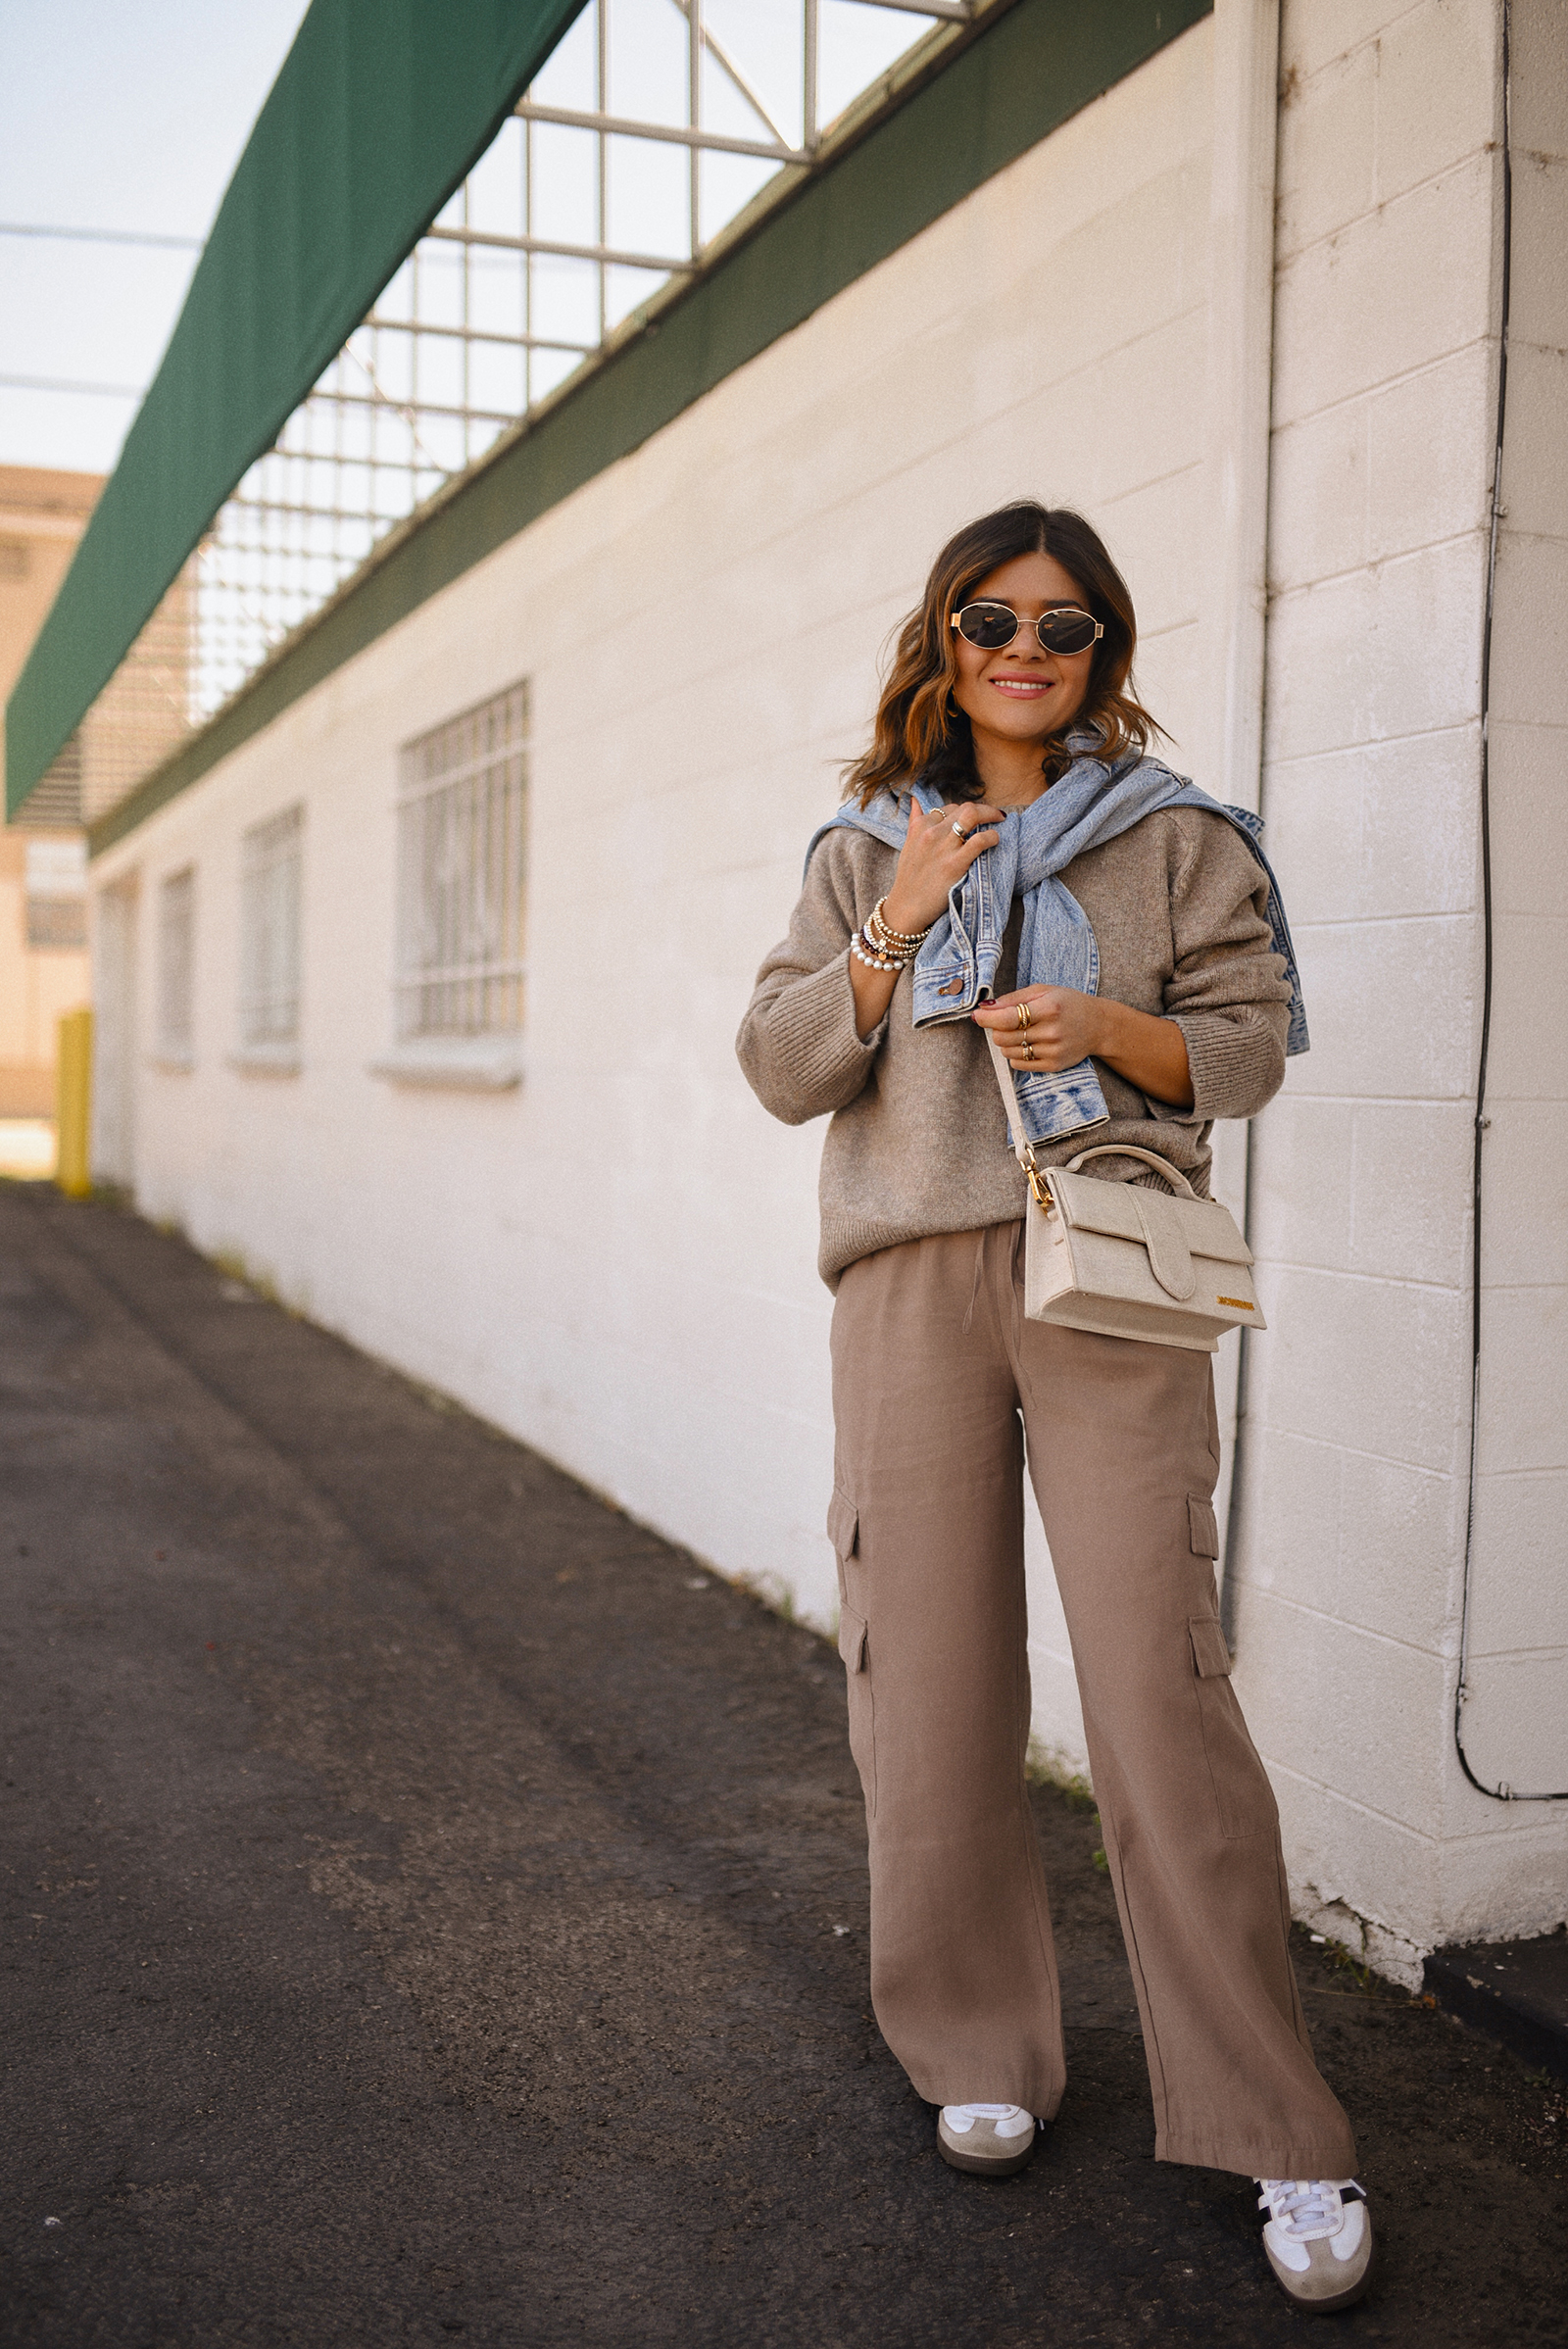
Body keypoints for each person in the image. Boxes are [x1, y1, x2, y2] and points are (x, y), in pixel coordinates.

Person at [735, 502, 1374, 2314]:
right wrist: (894, 931)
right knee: (925, 1679)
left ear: (1108, 650)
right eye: (991, 617)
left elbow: (1246, 1048)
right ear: (944, 639)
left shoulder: (1176, 839)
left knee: (1161, 1689)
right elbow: (784, 1066)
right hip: (916, 1278)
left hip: (1108, 1268)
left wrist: (1105, 1022)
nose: (1027, 647)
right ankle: (979, 2049)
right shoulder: (867, 843)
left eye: (1066, 623)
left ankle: (1276, 2122)